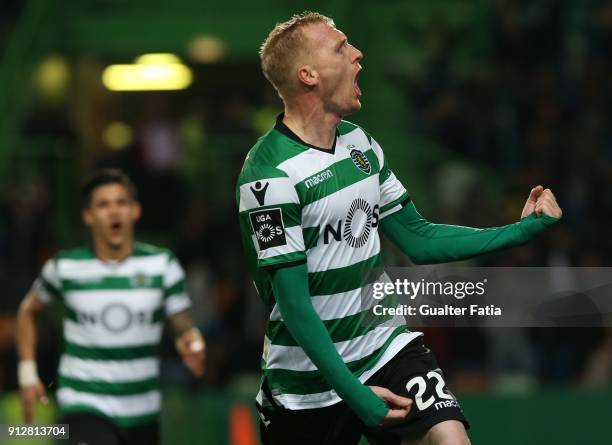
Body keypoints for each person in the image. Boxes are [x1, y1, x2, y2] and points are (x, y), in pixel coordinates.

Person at [236, 11, 562, 445]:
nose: (357, 54)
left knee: (451, 440)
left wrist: (521, 230)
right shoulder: (267, 178)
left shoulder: (361, 145)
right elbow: (294, 307)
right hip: (307, 384)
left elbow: (419, 237)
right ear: (308, 75)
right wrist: (356, 396)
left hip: (385, 346)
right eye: (340, 48)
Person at [16, 169, 206, 445]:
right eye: (103, 205)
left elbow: (179, 320)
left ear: (135, 211)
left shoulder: (162, 266)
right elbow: (28, 311)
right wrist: (27, 372)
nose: (114, 212)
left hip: (142, 414)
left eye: (121, 203)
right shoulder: (65, 267)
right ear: (88, 216)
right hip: (83, 407)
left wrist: (189, 338)